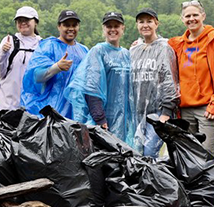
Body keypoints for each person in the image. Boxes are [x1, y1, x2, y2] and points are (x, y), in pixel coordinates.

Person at [168, 0, 214, 156]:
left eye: (195, 15)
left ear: (203, 16)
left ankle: (209, 181)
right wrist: (140, 44)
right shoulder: (178, 44)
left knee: (205, 156)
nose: (192, 19)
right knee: (187, 155)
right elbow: (158, 49)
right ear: (182, 19)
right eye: (187, 16)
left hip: (207, 109)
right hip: (184, 111)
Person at [66, 11, 134, 146]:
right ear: (103, 29)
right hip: (103, 121)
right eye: (109, 26)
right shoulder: (98, 51)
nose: (113, 29)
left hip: (124, 122)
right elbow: (91, 88)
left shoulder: (127, 54)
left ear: (123, 28)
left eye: (116, 26)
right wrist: (100, 119)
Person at [129, 8, 180, 157]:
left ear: (156, 24)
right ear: (137, 25)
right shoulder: (134, 50)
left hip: (157, 113)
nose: (145, 25)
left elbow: (169, 80)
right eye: (141, 22)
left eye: (149, 21)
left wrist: (166, 112)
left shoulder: (164, 48)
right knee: (136, 154)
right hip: (137, 113)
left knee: (150, 153)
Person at [21, 10, 89, 117]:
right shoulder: (48, 46)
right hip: (52, 111)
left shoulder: (84, 51)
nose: (71, 28)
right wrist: (56, 67)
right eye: (66, 25)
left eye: (74, 25)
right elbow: (36, 77)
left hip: (77, 113)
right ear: (59, 26)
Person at [0, 6, 42, 111]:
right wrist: (3, 53)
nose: (23, 23)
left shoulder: (42, 45)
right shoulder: (9, 41)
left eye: (26, 20)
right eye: (19, 20)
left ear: (35, 22)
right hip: (4, 105)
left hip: (30, 107)